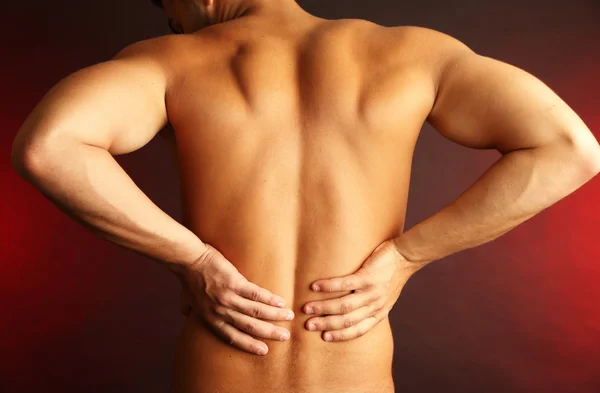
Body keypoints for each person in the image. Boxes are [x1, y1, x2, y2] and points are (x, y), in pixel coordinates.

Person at [10, 0, 600, 392]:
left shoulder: (171, 61)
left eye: (172, 11)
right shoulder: (414, 54)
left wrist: (192, 259)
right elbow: (571, 148)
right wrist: (406, 256)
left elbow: (49, 145)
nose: (178, 26)